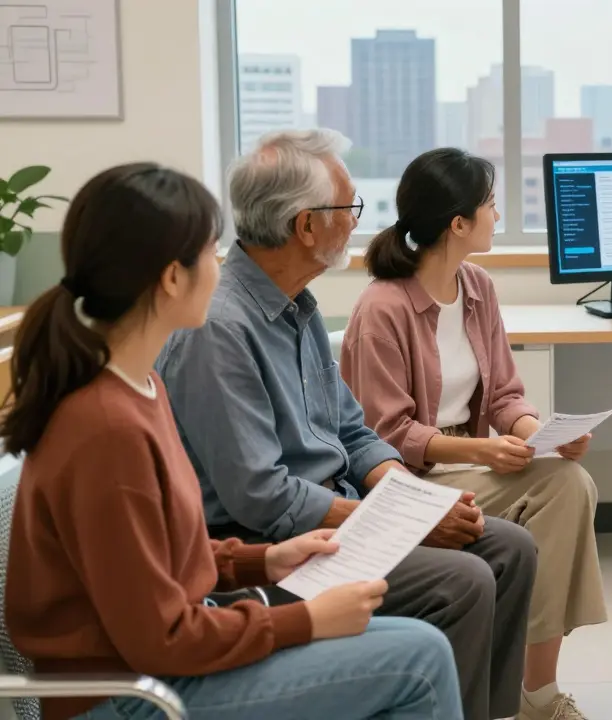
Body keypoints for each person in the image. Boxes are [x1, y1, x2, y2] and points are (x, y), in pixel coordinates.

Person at [0, 163, 463, 720]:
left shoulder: (138, 387)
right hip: (131, 696)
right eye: (209, 254)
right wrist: (306, 621)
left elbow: (157, 557)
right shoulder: (106, 428)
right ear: (173, 277)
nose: (220, 270)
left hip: (160, 665)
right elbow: (161, 636)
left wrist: (261, 561)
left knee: (407, 643)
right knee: (419, 658)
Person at [154, 130, 536, 720]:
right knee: (462, 581)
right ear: (306, 227)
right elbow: (262, 496)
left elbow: (355, 435)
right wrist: (394, 522)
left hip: (336, 515)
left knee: (511, 547)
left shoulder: (299, 307)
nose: (358, 223)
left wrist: (408, 503)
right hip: (269, 544)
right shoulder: (220, 331)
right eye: (348, 208)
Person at [341, 148, 606, 720]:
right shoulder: (381, 309)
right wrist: (482, 448)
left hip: (469, 463)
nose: (497, 215)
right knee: (562, 490)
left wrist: (543, 433)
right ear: (457, 224)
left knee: (569, 479)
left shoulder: (478, 287)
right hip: (406, 480)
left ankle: (536, 691)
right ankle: (527, 694)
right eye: (489, 205)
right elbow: (383, 432)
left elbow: (507, 396)